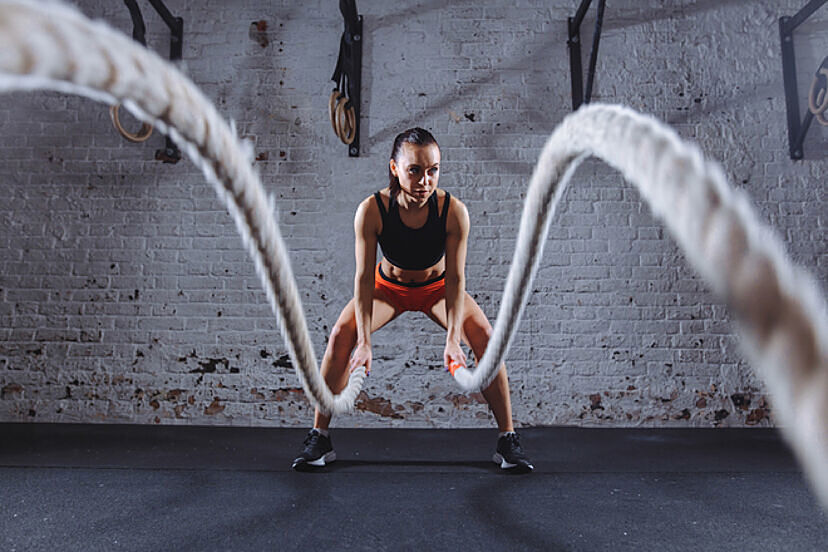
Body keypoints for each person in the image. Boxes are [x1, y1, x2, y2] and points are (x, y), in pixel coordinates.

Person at [291, 127, 533, 473]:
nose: (424, 180)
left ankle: (508, 440)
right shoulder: (372, 210)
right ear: (394, 169)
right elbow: (362, 279)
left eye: (433, 170)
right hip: (386, 288)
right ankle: (319, 437)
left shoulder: (453, 211)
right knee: (341, 337)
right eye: (414, 170)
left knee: (487, 340)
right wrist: (365, 341)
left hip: (438, 288)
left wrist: (453, 339)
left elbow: (456, 278)